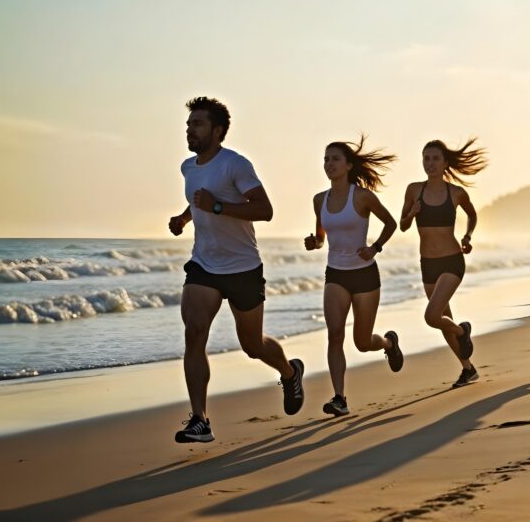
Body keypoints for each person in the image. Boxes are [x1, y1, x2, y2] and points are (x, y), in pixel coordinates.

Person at [168, 96, 304, 443]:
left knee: (252, 345)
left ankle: (289, 372)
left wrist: (216, 206)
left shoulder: (235, 165)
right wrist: (184, 218)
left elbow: (264, 210)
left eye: (197, 124)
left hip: (243, 267)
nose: (190, 130)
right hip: (204, 264)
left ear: (218, 131)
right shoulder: (188, 167)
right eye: (189, 124)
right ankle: (199, 420)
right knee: (194, 332)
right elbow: (197, 199)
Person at [304, 136, 403, 416]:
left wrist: (375, 248)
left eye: (335, 159)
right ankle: (339, 397)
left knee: (362, 342)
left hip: (365, 276)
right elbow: (321, 237)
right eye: (326, 159)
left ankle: (388, 343)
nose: (329, 163)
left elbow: (390, 223)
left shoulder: (362, 196)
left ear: (348, 165)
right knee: (335, 334)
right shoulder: (319, 200)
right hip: (335, 274)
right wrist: (315, 243)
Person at [400, 139, 487, 388]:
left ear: (445, 163)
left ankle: (462, 331)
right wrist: (412, 213)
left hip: (451, 261)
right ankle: (468, 368)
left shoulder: (456, 193)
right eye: (426, 158)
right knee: (443, 319)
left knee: (432, 316)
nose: (430, 163)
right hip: (427, 263)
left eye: (435, 158)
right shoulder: (413, 190)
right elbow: (403, 225)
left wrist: (468, 236)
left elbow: (472, 214)